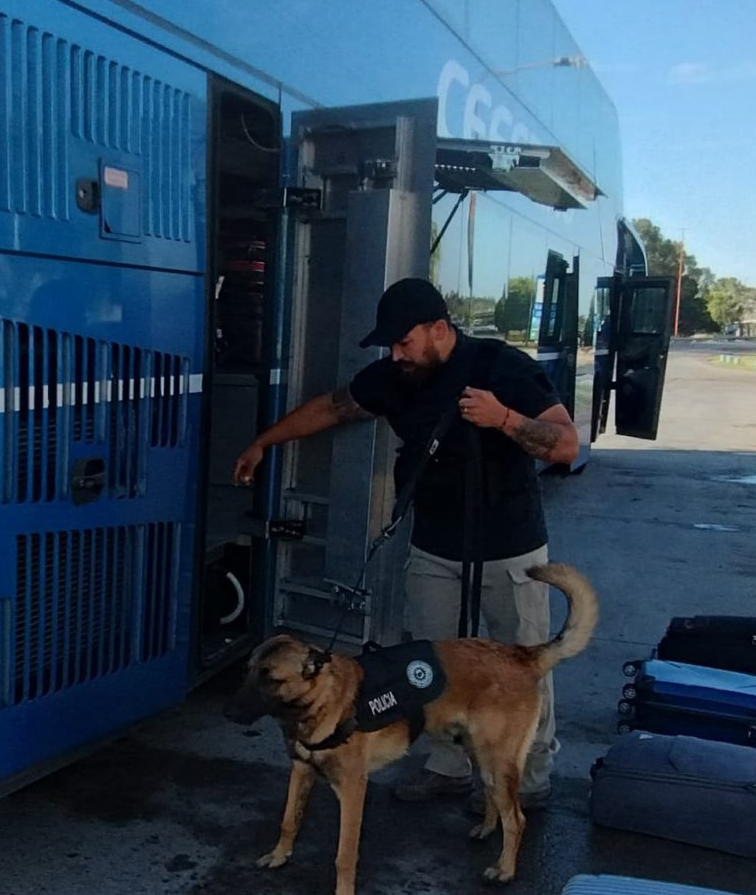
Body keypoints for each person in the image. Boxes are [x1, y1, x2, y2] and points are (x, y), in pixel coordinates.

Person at [233, 278, 581, 805]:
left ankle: (528, 781)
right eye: (391, 345)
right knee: (432, 670)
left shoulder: (501, 366)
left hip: (510, 548)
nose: (397, 354)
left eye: (404, 342)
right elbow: (333, 408)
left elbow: (566, 446)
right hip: (435, 547)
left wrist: (504, 418)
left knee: (521, 669)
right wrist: (263, 442)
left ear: (439, 329)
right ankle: (447, 766)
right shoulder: (396, 376)